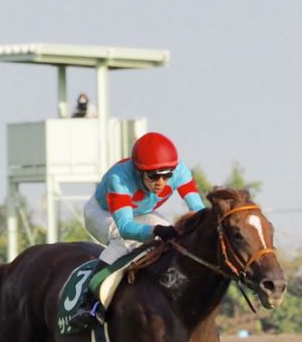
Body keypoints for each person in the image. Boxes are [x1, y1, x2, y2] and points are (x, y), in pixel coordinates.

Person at [77, 131, 206, 324]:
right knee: (125, 241)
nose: (161, 183)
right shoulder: (119, 178)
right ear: (139, 171)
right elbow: (125, 228)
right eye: (153, 176)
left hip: (141, 213)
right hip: (103, 213)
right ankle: (88, 302)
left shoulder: (180, 171)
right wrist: (154, 231)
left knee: (171, 241)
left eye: (167, 175)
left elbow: (199, 211)